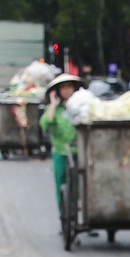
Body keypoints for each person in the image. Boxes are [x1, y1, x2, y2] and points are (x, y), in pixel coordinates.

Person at [38, 71, 83, 207]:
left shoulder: (81, 106)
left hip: (79, 153)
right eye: (63, 87)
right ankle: (64, 217)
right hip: (61, 153)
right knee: (60, 185)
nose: (67, 90)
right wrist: (53, 105)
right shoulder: (55, 109)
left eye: (69, 86)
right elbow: (45, 124)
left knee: (80, 186)